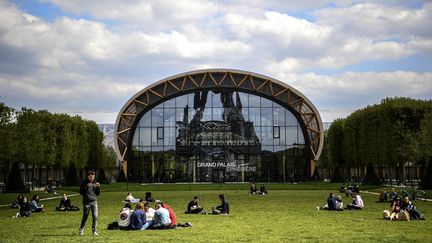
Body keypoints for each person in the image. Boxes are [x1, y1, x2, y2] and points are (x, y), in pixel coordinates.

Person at [79, 171, 101, 236]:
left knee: (95, 217)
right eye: (91, 177)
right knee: (85, 217)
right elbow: (81, 192)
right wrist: (86, 187)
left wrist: (98, 187)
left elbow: (97, 193)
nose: (92, 178)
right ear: (88, 176)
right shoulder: (83, 182)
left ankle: (94, 231)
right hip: (86, 202)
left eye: (93, 177)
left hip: (94, 201)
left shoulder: (95, 182)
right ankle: (81, 229)